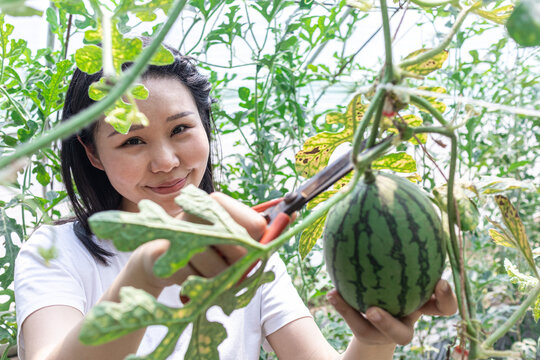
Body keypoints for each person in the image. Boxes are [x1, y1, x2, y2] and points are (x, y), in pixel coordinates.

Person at [14, 42, 457, 360]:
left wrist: (377, 334)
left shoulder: (251, 250)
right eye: (132, 141)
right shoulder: (58, 254)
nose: (166, 162)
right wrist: (142, 277)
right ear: (92, 154)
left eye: (180, 130)